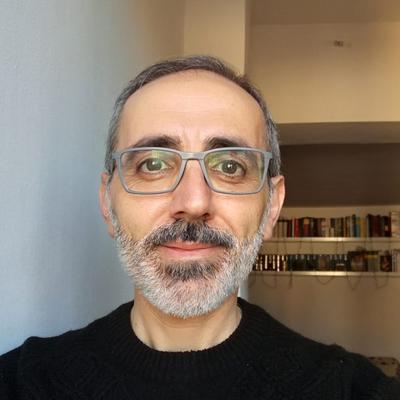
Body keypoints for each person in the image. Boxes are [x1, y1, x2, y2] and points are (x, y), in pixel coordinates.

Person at [1, 55, 399, 399]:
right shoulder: (22, 382)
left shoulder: (350, 388)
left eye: (230, 166)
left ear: (271, 207)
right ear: (108, 202)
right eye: (153, 163)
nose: (193, 203)